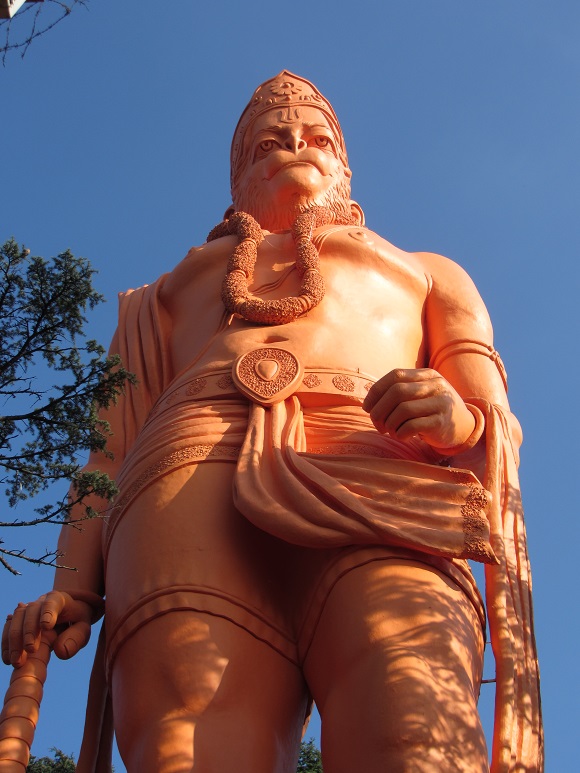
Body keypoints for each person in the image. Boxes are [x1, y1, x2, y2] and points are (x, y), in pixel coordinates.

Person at [1, 72, 542, 773]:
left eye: (316, 137)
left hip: (379, 461)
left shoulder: (427, 272)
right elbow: (107, 455)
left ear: (345, 167)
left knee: (419, 740)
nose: (294, 146)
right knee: (188, 747)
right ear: (238, 178)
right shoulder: (165, 293)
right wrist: (73, 581)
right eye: (269, 142)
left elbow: (490, 415)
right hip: (186, 475)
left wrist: (460, 420)